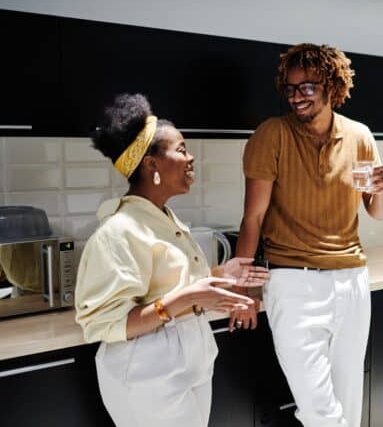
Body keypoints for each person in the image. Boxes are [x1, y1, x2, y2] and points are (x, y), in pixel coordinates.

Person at [74, 93, 268, 427]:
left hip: (190, 361)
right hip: (146, 373)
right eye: (181, 150)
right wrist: (191, 296)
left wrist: (221, 274)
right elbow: (106, 324)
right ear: (152, 165)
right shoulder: (119, 232)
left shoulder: (164, 218)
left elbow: (170, 285)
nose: (191, 158)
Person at [235, 43, 383, 426]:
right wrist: (243, 290)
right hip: (293, 283)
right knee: (321, 410)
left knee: (348, 401)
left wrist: (381, 188)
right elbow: (252, 218)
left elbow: (377, 211)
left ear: (331, 87)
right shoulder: (272, 135)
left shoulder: (359, 136)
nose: (297, 97)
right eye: (290, 89)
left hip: (352, 281)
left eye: (307, 87)